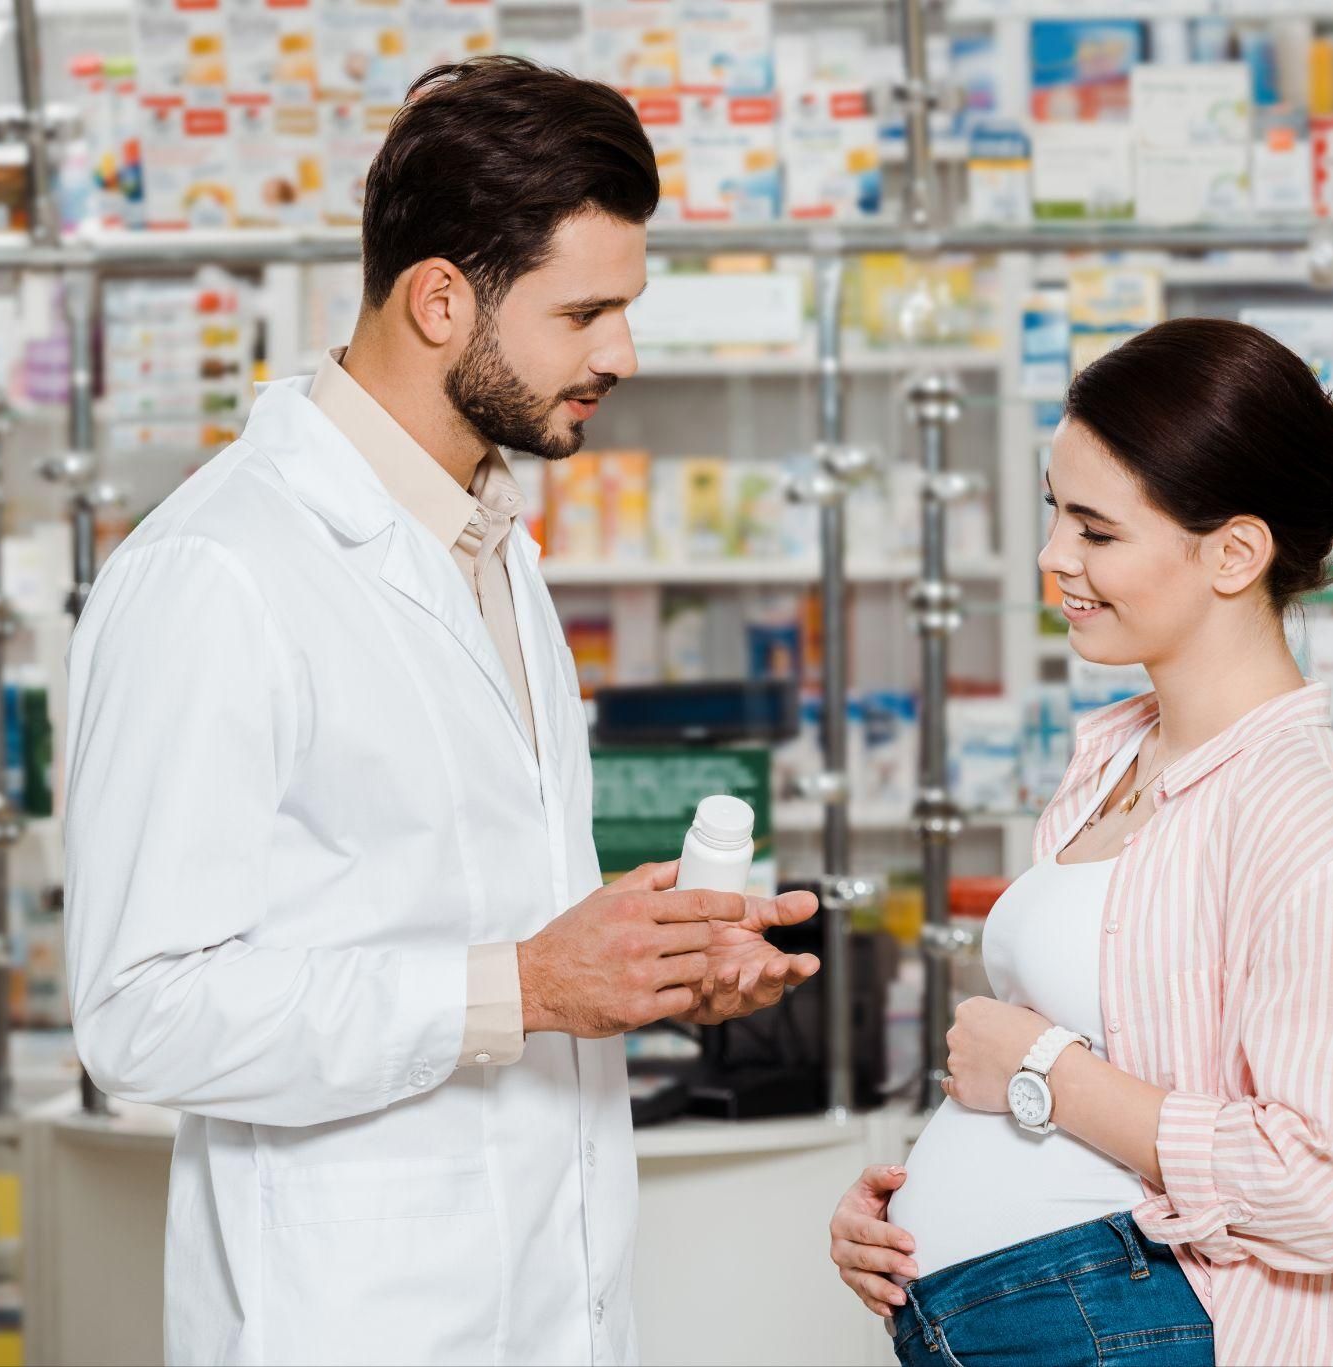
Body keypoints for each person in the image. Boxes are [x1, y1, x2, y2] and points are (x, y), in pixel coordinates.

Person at [64, 57, 818, 1366]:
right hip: (349, 1319)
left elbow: (470, 919)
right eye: (585, 313)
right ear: (437, 300)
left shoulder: (488, 545)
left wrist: (640, 968)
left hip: (550, 1305)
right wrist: (521, 986)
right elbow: (140, 1012)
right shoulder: (218, 573)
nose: (621, 355)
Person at [829, 317, 1333, 1366]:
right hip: (1010, 1317)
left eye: (1096, 532)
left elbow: (1331, 1190)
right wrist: (903, 1213)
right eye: (1055, 513)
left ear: (1234, 552)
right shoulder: (1112, 760)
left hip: (1130, 1325)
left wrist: (1044, 1073)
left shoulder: (1304, 808)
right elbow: (1062, 1077)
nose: (1054, 557)